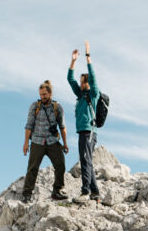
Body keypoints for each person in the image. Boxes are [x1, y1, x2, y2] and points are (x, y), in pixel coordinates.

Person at [22, 81, 69, 202]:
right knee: (32, 168)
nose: (42, 97)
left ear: (50, 94)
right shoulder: (34, 106)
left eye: (44, 94)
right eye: (41, 94)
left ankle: (57, 191)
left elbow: (62, 127)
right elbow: (28, 126)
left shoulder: (57, 107)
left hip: (52, 141)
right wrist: (26, 143)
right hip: (37, 141)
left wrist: (65, 143)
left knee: (60, 165)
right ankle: (27, 193)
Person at [68, 42, 101, 203]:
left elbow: (93, 77)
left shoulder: (93, 93)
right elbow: (70, 79)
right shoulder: (80, 95)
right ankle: (95, 193)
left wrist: (87, 57)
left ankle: (85, 192)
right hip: (83, 131)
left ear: (87, 83)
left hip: (89, 131)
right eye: (80, 82)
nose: (80, 84)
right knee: (87, 160)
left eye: (83, 82)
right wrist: (73, 61)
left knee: (85, 160)